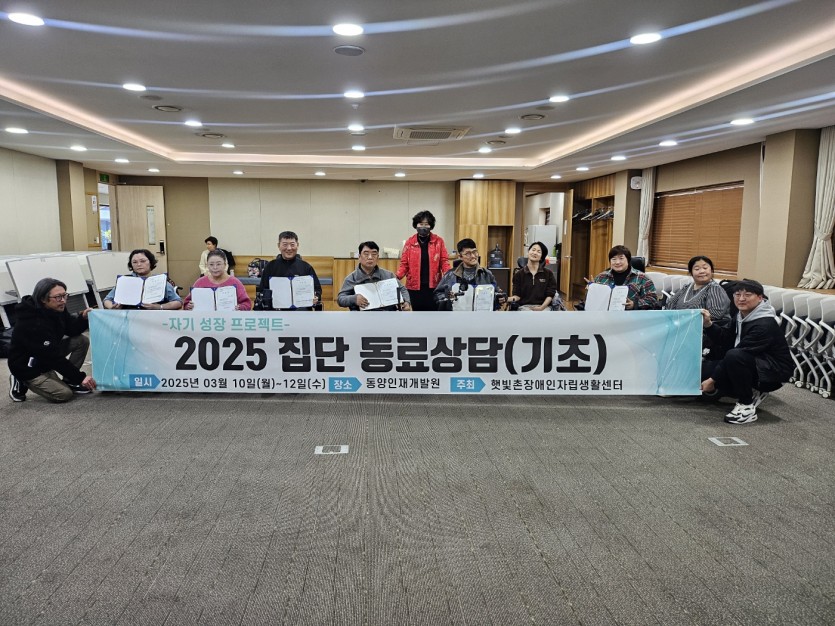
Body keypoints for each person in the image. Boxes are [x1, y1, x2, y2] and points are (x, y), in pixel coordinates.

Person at [700, 279, 793, 425]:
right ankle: (749, 389)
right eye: (737, 295)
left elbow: (738, 353)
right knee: (701, 373)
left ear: (760, 298)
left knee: (733, 357)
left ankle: (746, 405)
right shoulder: (741, 315)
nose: (741, 299)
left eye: (747, 295)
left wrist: (712, 380)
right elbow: (724, 337)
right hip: (753, 363)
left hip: (773, 373)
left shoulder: (764, 324)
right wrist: (708, 324)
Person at [8, 278, 97, 403]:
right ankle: (20, 379)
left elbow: (71, 329)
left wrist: (83, 318)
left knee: (81, 340)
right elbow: (53, 357)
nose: (63, 300)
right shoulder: (32, 322)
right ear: (43, 299)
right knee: (64, 394)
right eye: (58, 297)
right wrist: (80, 377)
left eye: (65, 295)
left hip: (45, 355)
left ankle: (70, 381)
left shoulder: (56, 308)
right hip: (28, 366)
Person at [396, 210, 450, 311]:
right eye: (421, 224)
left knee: (434, 313)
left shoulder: (438, 241)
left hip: (434, 287)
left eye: (426, 224)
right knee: (417, 314)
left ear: (431, 226)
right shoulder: (410, 242)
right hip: (414, 288)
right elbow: (404, 264)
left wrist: (449, 276)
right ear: (416, 225)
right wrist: (396, 277)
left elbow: (444, 262)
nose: (423, 227)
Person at [256, 231, 322, 310]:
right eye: (285, 244)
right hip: (276, 311)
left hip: (301, 312)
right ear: (278, 246)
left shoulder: (306, 267)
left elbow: (317, 289)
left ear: (297, 245)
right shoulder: (270, 267)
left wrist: (316, 296)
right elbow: (263, 290)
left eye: (292, 244)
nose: (289, 248)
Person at [434, 238, 506, 310]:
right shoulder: (450, 275)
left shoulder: (486, 274)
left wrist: (500, 298)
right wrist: (447, 298)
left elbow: (496, 293)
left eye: (475, 252)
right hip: (457, 314)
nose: (473, 256)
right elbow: (438, 294)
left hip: (481, 314)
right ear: (460, 257)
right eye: (468, 254)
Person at [337, 241, 411, 311]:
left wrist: (406, 302)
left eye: (374, 254)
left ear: (378, 257)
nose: (370, 257)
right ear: (359, 257)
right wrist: (354, 299)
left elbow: (402, 289)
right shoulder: (351, 278)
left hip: (387, 315)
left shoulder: (389, 275)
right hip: (361, 317)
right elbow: (340, 299)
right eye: (366, 254)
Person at [103, 249, 183, 310]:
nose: (139, 264)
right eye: (134, 262)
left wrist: (159, 307)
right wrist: (112, 307)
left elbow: (178, 302)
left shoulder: (160, 280)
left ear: (150, 262)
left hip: (154, 319)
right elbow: (107, 300)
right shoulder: (125, 280)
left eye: (143, 261)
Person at [588, 245, 658, 310]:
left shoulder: (643, 278)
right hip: (605, 316)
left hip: (632, 316)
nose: (617, 262)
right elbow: (592, 302)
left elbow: (652, 299)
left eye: (621, 258)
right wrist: (592, 290)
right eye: (614, 259)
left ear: (628, 260)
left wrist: (634, 304)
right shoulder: (601, 277)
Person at [665, 255, 730, 324]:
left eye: (705, 268)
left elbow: (715, 314)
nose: (702, 271)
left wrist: (686, 319)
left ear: (711, 270)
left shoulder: (715, 288)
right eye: (697, 269)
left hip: (704, 328)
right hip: (681, 325)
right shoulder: (686, 287)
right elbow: (670, 304)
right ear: (691, 273)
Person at [183, 249, 251, 311]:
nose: (215, 267)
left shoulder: (235, 282)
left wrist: (240, 307)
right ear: (207, 266)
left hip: (229, 319)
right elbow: (186, 304)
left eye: (218, 264)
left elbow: (247, 304)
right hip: (205, 319)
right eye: (211, 264)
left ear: (225, 265)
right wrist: (189, 306)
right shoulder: (200, 282)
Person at [507, 241, 562, 311]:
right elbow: (517, 296)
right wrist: (506, 299)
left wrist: (541, 308)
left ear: (541, 257)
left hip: (544, 307)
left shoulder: (548, 274)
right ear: (528, 252)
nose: (535, 253)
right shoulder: (519, 274)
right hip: (524, 307)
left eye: (539, 251)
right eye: (533, 250)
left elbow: (550, 295)